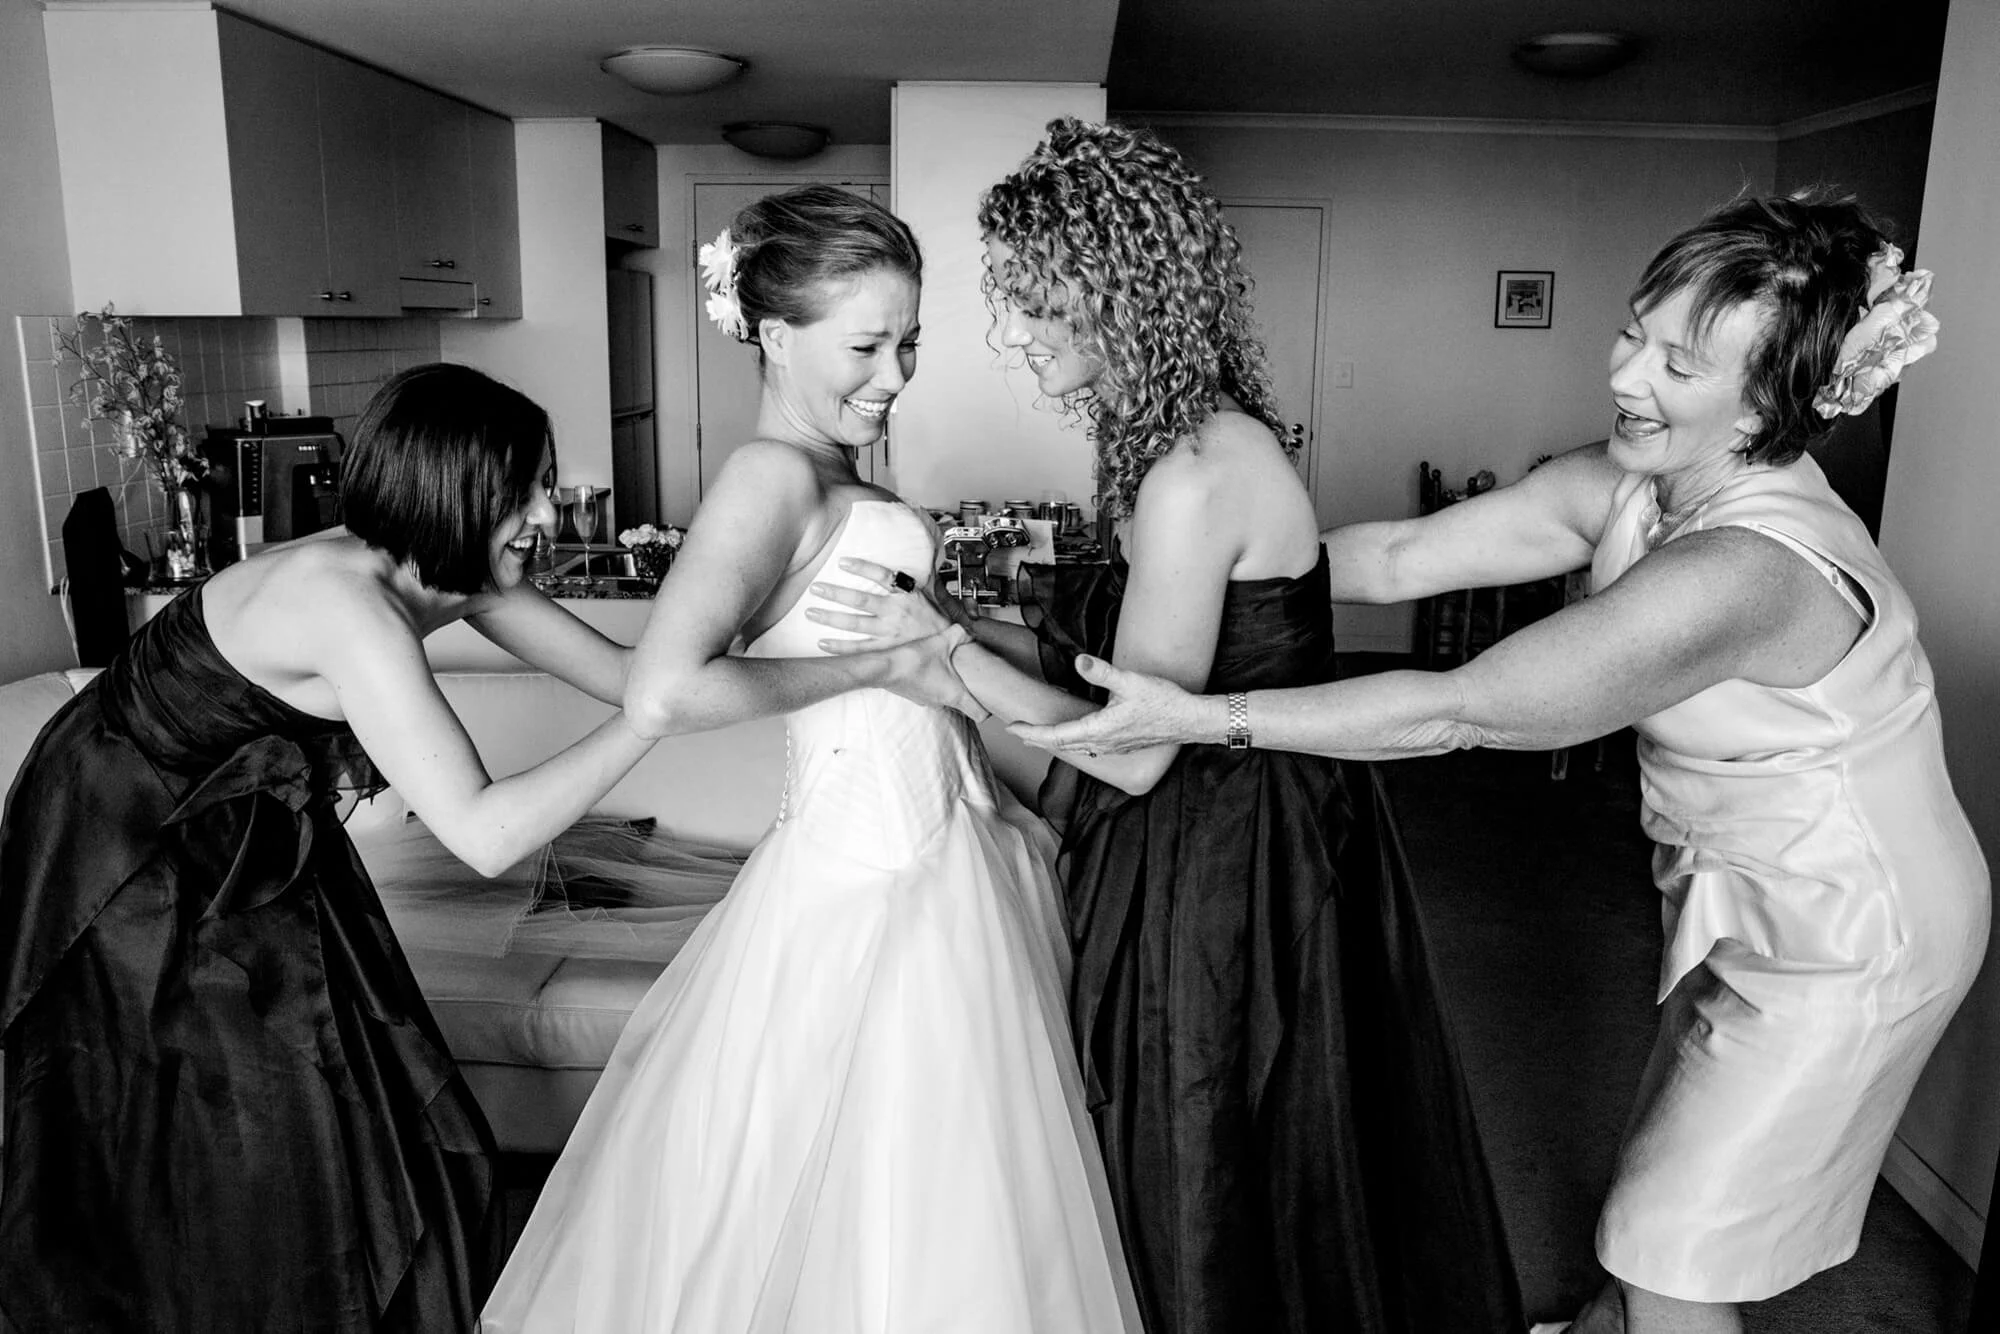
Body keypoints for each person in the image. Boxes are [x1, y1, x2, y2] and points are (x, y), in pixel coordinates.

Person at [1010, 190, 1990, 1334]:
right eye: (1633, 330)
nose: (1626, 376)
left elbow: (1459, 711)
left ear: (1767, 401)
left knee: (1675, 1250)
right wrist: (1218, 559)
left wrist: (1203, 711)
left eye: (1679, 365)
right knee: (1661, 1190)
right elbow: (1393, 553)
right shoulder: (1633, 485)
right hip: (1737, 894)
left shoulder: (1746, 569)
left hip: (1852, 928)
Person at [816, 118, 1524, 1333]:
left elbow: (1136, 745)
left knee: (1190, 1124)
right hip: (1235, 807)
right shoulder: (1183, 437)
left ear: (1119, 296)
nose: (1017, 339)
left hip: (1223, 844)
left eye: (1039, 307)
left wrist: (943, 668)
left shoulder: (1193, 472)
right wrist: (959, 622)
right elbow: (1119, 660)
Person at [480, 185, 1140, 1332]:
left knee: (950, 1191)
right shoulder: (765, 478)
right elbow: (668, 685)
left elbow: (916, 644)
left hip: (947, 853)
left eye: (910, 342)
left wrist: (970, 650)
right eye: (867, 345)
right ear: (773, 334)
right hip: (863, 880)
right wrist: (878, 671)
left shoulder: (837, 475)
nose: (894, 374)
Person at [0, 362, 671, 1331]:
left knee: (374, 1102)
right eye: (521, 488)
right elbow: (485, 832)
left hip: (243, 833)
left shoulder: (453, 563)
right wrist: (651, 720)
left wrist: (779, 633)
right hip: (125, 850)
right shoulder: (346, 601)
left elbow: (622, 671)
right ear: (454, 492)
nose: (544, 508)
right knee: (243, 1127)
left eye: (543, 479)